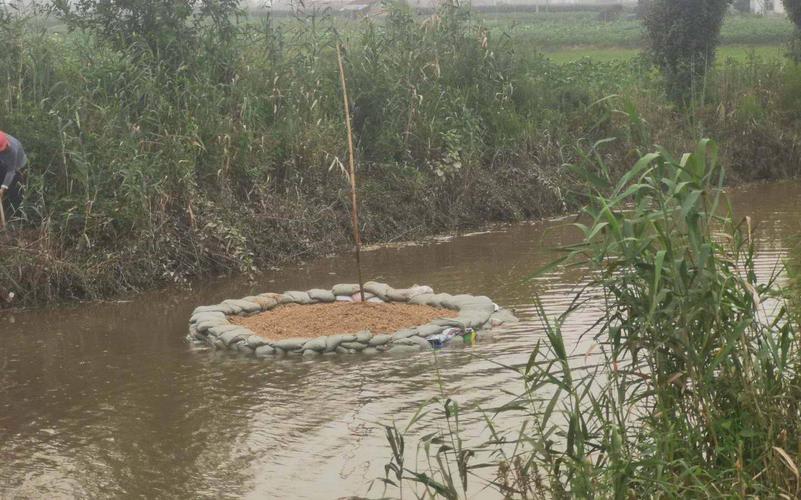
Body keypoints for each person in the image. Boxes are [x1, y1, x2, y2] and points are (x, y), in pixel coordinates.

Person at [0, 131, 27, 227]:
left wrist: (3, 187)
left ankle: (16, 219)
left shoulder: (13, 148)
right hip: (3, 164)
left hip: (17, 167)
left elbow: (11, 171)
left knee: (15, 192)